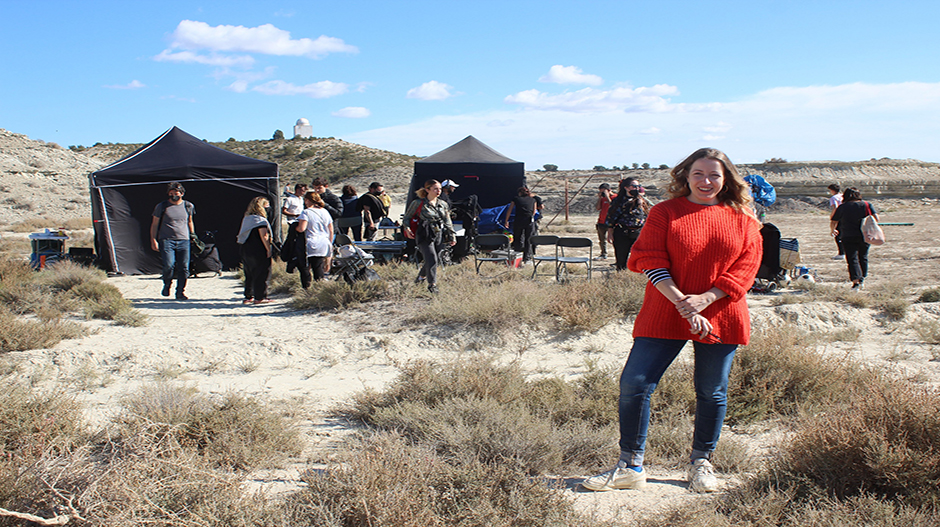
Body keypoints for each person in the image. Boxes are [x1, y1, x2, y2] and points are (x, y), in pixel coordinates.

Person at [583, 148, 762, 494]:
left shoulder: (743, 218)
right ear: (685, 176)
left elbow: (746, 268)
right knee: (634, 383)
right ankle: (630, 465)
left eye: (714, 175)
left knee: (712, 391)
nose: (706, 181)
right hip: (667, 308)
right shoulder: (666, 211)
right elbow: (647, 257)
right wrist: (683, 303)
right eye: (698, 174)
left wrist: (706, 300)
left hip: (721, 311)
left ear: (726, 180)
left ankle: (701, 463)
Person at [403, 180, 456, 294]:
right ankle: (432, 285)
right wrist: (407, 229)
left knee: (433, 259)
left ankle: (421, 278)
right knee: (432, 258)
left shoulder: (442, 204)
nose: (438, 191)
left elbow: (447, 220)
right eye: (435, 189)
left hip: (438, 233)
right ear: (427, 190)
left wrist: (452, 236)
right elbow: (407, 218)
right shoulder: (418, 203)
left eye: (440, 189)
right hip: (424, 233)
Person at [150, 182, 195, 300]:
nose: (173, 196)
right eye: (171, 194)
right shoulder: (162, 206)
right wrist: (153, 239)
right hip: (167, 240)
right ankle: (167, 284)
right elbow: (155, 224)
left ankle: (180, 291)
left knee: (184, 267)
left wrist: (192, 235)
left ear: (182, 194)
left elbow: (190, 221)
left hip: (184, 240)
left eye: (176, 193)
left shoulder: (188, 206)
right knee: (169, 265)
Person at [830, 187, 878, 290]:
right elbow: (876, 218)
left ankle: (856, 282)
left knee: (852, 259)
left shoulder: (843, 207)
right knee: (863, 257)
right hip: (865, 235)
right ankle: (862, 279)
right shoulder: (866, 205)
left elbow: (834, 220)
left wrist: (833, 230)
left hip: (848, 235)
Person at [605, 178, 652, 271]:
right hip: (622, 232)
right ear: (626, 188)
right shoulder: (618, 201)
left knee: (641, 258)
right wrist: (610, 232)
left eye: (639, 186)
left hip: (639, 232)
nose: (637, 188)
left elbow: (649, 215)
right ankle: (622, 277)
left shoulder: (643, 201)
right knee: (621, 259)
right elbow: (611, 217)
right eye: (634, 186)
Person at [236, 196, 273, 304]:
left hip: (245, 248)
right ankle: (260, 296)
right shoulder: (260, 220)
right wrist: (268, 249)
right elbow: (264, 236)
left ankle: (248, 295)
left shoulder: (247, 218)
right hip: (258, 249)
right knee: (261, 273)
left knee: (249, 273)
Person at [296, 191, 334, 287]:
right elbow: (331, 230)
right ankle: (319, 287)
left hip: (311, 241)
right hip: (324, 242)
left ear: (307, 200)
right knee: (319, 267)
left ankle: (307, 288)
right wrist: (330, 242)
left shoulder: (306, 212)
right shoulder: (325, 211)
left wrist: (294, 227)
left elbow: (302, 228)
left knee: (305, 268)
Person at [312, 177, 342, 274]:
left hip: (330, 229)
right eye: (315, 188)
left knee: (327, 252)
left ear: (326, 186)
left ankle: (326, 271)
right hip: (315, 229)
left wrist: (325, 205)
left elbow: (338, 213)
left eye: (319, 188)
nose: (317, 190)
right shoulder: (312, 198)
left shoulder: (333, 198)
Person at [502, 187, 539, 263]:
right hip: (529, 221)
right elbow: (534, 212)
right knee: (528, 239)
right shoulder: (533, 200)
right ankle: (527, 257)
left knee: (517, 237)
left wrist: (506, 220)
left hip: (519, 220)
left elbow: (510, 210)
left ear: (519, 193)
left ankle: (517, 255)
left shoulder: (516, 199)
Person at [595, 183, 615, 259]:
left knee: (614, 240)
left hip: (611, 222)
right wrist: (600, 198)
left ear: (609, 190)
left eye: (604, 192)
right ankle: (603, 253)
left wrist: (607, 196)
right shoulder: (602, 199)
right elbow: (597, 208)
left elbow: (612, 205)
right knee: (602, 240)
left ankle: (618, 255)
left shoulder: (615, 197)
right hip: (602, 221)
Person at [827, 183, 844, 259]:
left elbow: (835, 207)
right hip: (846, 216)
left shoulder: (834, 198)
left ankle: (841, 253)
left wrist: (832, 216)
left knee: (837, 234)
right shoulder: (843, 196)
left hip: (839, 216)